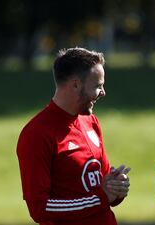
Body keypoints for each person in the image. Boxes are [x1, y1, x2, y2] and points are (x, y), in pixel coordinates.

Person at [17, 47, 130, 225]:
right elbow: (40, 209)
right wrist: (101, 198)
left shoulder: (91, 121)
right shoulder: (36, 134)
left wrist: (116, 188)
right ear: (76, 84)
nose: (103, 92)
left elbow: (101, 188)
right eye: (98, 86)